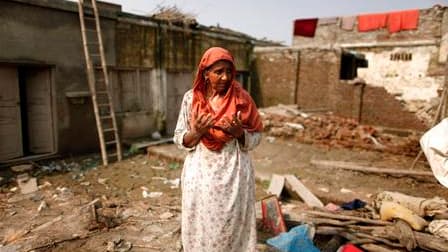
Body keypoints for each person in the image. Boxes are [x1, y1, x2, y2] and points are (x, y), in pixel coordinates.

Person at [173, 47, 263, 252]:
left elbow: (257, 137)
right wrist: (196, 132)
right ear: (205, 73)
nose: (225, 77)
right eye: (218, 72)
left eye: (229, 71)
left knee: (231, 224)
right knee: (201, 223)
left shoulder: (242, 99)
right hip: (200, 174)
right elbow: (179, 138)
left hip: (234, 173)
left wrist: (240, 133)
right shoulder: (191, 99)